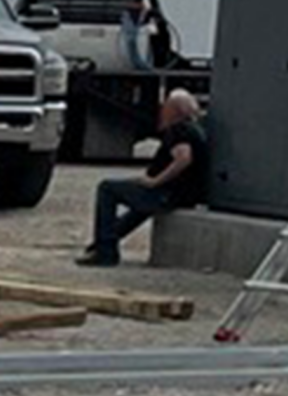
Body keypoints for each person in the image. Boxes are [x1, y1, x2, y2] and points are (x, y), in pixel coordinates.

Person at [76, 89, 209, 268]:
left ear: (174, 111)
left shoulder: (178, 130)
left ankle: (105, 252)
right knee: (139, 205)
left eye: (165, 107)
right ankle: (103, 244)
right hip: (183, 194)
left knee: (107, 188)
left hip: (168, 193)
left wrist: (156, 181)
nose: (161, 111)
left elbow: (183, 158)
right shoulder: (196, 129)